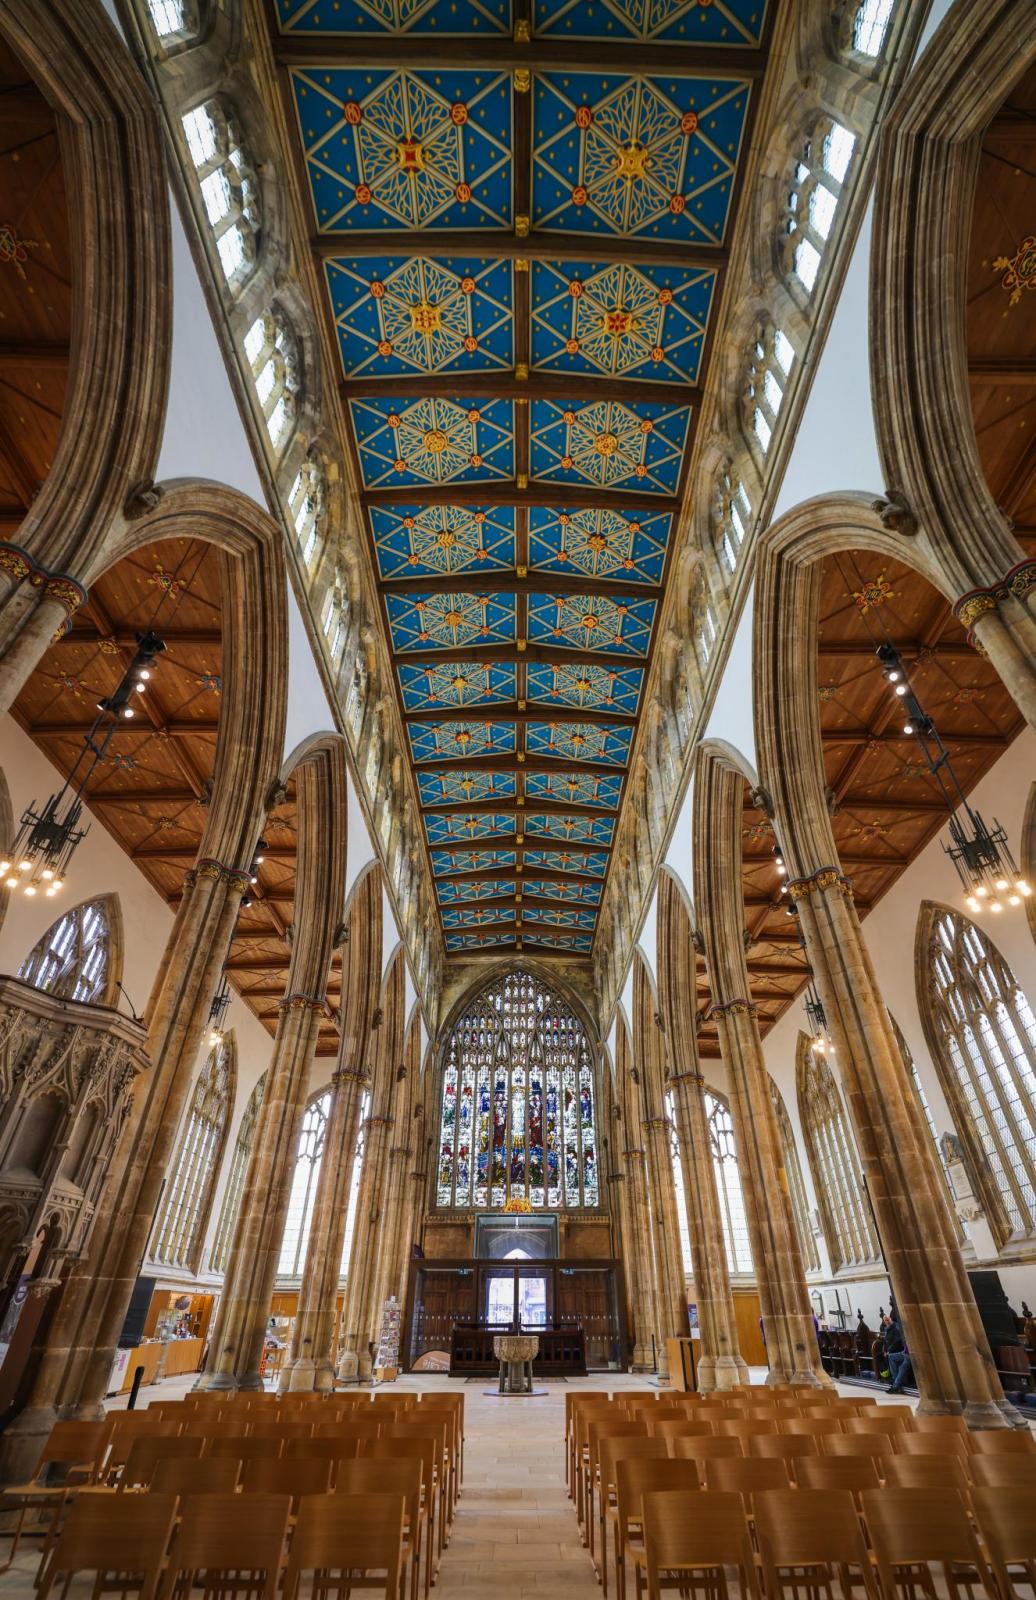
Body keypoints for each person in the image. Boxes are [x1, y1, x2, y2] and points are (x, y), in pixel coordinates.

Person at [882, 1311, 911, 1394]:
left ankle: (895, 1386)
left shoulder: (897, 1326)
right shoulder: (886, 1329)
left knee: (902, 1367)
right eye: (885, 1320)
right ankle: (896, 1381)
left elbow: (897, 1340)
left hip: (910, 1354)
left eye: (888, 1319)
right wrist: (886, 1351)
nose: (887, 1321)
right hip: (904, 1352)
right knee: (891, 1357)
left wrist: (889, 1350)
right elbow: (886, 1341)